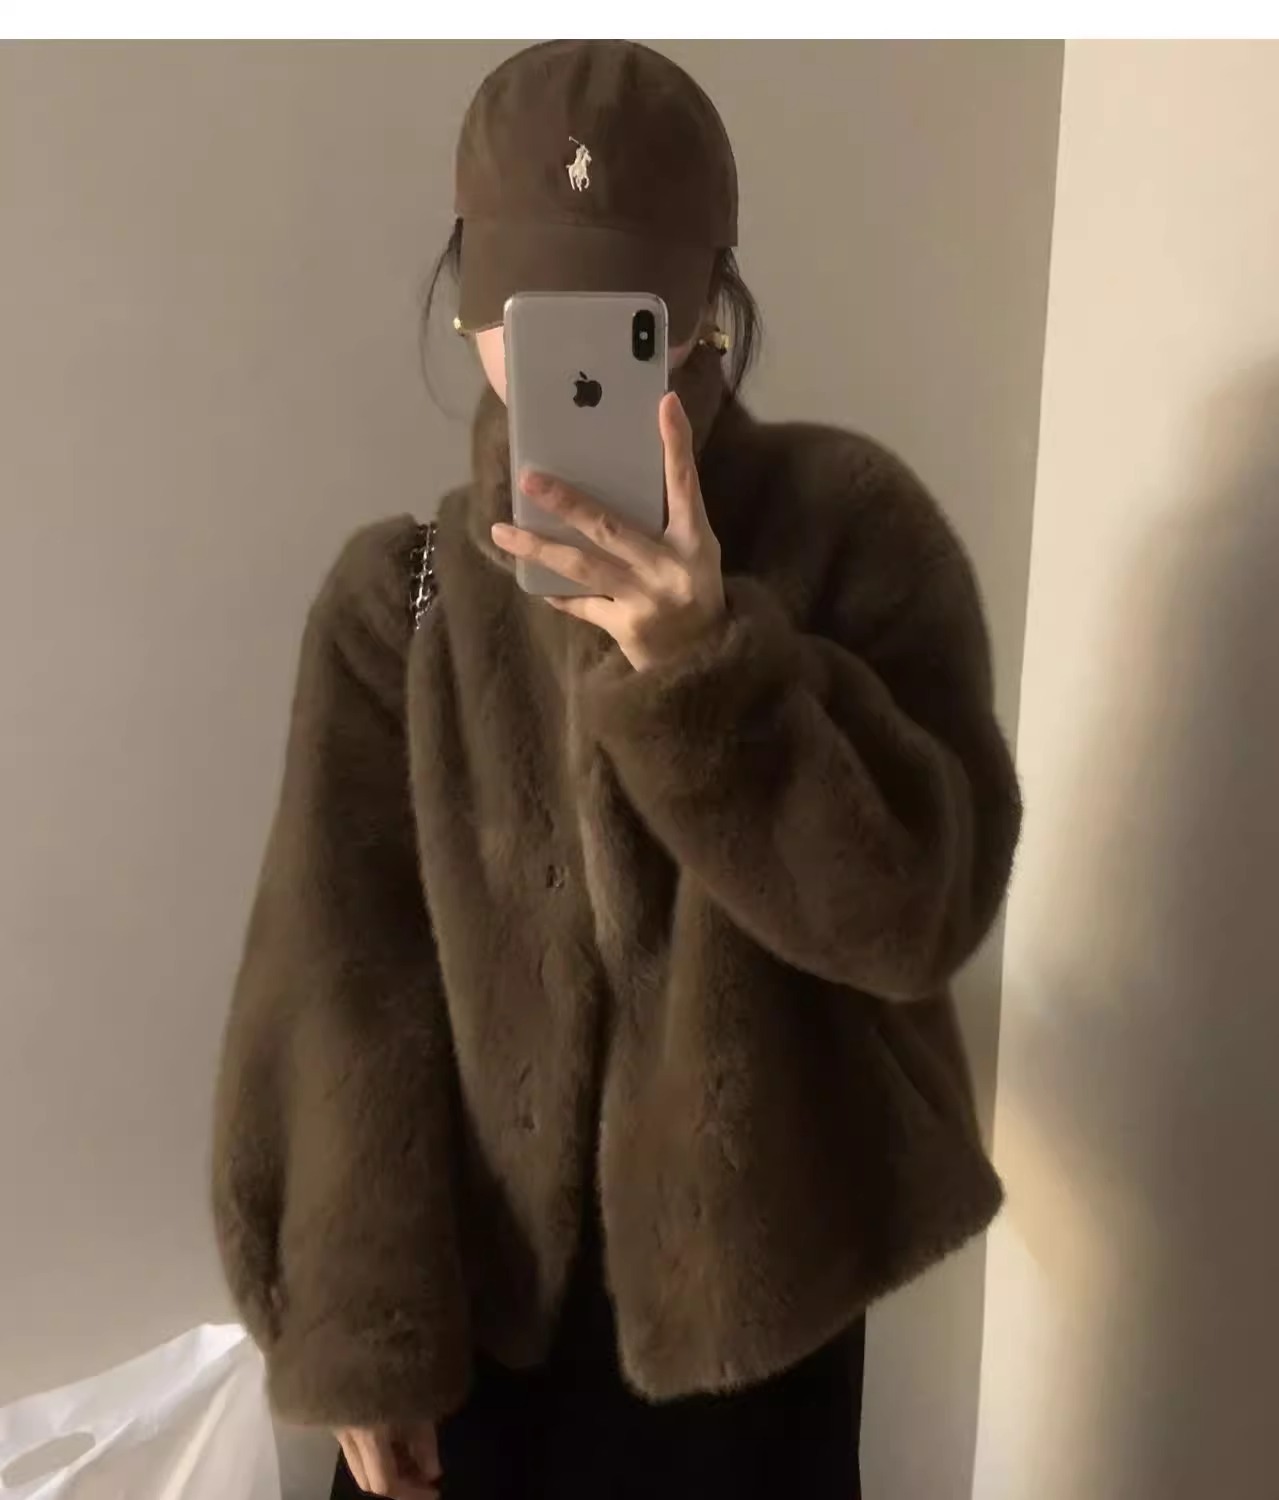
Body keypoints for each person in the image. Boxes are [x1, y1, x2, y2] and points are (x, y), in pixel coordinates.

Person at [211, 39, 1021, 1500]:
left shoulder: (852, 532)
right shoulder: (398, 602)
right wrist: (352, 1331)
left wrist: (708, 673)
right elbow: (339, 987)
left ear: (709, 306)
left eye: (626, 305)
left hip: (754, 1327)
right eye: (531, 304)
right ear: (469, 307)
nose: (573, 346)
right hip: (471, 1327)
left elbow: (920, 915)